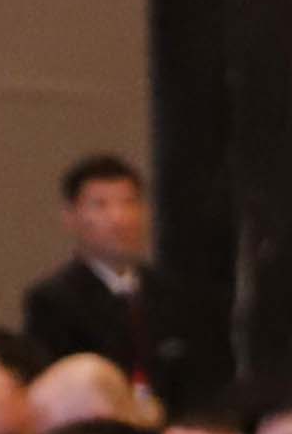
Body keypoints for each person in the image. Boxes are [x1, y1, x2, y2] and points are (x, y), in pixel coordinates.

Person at [18, 148, 175, 387]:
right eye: (101, 205)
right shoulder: (52, 301)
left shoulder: (168, 291)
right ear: (71, 216)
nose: (119, 219)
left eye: (129, 202)